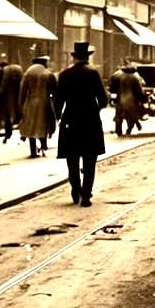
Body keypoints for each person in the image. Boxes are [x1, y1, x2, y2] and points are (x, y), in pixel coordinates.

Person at [55, 42, 108, 206]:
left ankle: (75, 189)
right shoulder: (93, 74)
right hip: (90, 121)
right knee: (90, 160)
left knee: (72, 159)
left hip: (70, 120)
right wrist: (95, 109)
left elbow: (58, 101)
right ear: (87, 57)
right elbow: (103, 100)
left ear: (74, 57)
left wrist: (58, 117)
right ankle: (86, 195)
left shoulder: (64, 75)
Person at [19, 54, 57, 157]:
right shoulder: (47, 73)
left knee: (31, 126)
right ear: (44, 63)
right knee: (43, 124)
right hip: (44, 102)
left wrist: (21, 105)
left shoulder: (28, 72)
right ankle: (44, 145)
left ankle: (33, 151)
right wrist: (53, 100)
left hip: (30, 101)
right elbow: (54, 90)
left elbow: (22, 91)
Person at [0, 57, 24, 143]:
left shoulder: (2, 72)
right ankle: (21, 133)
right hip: (15, 96)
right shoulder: (16, 72)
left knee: (6, 115)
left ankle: (7, 132)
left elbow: (0, 84)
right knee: (17, 114)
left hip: (5, 96)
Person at [116, 63, 147, 135]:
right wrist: (143, 98)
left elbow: (114, 87)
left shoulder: (120, 77)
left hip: (121, 98)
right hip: (131, 99)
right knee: (133, 114)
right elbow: (139, 90)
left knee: (118, 115)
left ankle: (118, 130)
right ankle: (130, 129)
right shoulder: (134, 78)